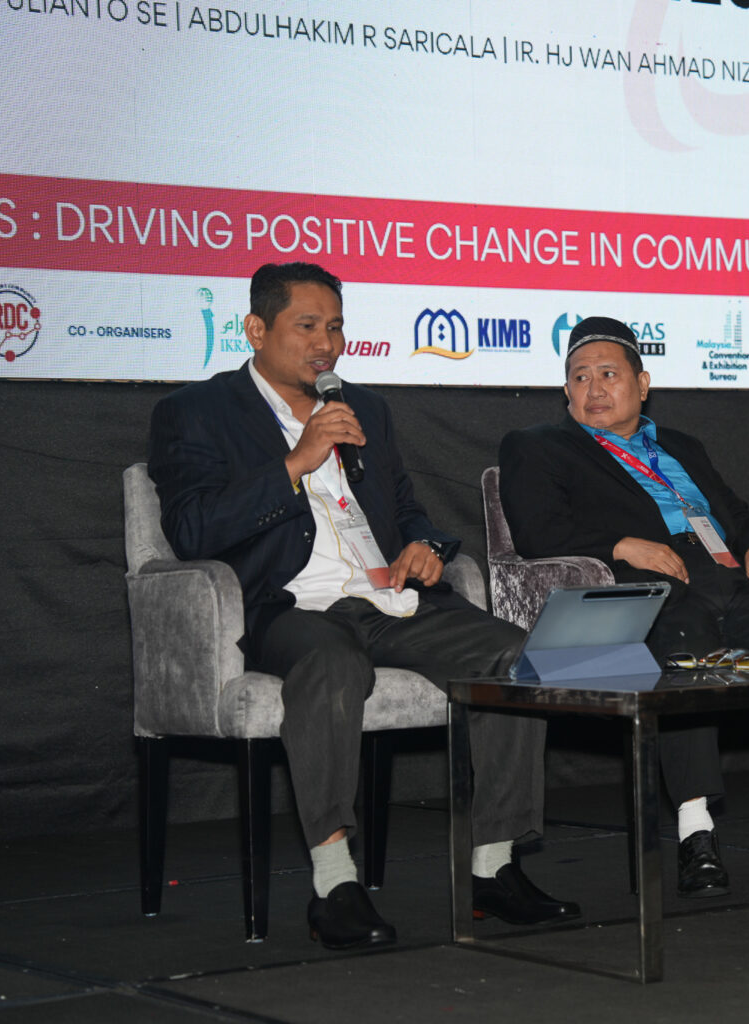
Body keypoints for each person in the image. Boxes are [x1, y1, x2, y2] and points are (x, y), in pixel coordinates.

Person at [147, 262, 578, 949]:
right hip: (289, 608)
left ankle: (493, 867)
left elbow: (408, 510)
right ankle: (334, 884)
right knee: (331, 665)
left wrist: (425, 547)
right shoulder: (196, 412)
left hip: (388, 600)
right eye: (307, 326)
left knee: (517, 656)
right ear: (256, 329)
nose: (326, 344)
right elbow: (192, 531)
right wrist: (297, 461)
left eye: (336, 327)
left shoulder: (365, 409)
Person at [498, 316, 749, 898]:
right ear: (566, 392)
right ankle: (695, 832)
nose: (594, 389)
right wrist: (621, 545)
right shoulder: (538, 446)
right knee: (687, 664)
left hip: (729, 581)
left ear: (642, 383)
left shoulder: (681, 446)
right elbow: (536, 531)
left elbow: (735, 512)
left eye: (608, 374)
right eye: (580, 378)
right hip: (650, 590)